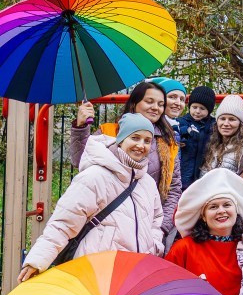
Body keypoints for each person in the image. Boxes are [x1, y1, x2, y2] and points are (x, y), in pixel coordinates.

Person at [18, 114, 163, 281]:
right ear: (121, 139)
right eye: (135, 138)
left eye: (147, 140)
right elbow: (64, 222)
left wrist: (153, 247)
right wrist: (37, 260)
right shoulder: (95, 177)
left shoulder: (147, 183)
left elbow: (156, 219)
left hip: (134, 272)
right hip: (96, 270)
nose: (141, 145)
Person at [69, 81, 184, 235]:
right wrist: (81, 127)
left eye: (160, 104)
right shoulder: (109, 132)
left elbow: (174, 189)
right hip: (106, 223)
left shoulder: (167, 143)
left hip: (145, 225)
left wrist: (161, 228)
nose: (156, 107)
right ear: (134, 102)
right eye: (149, 101)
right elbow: (80, 160)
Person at [202, 94, 243, 177]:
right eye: (222, 118)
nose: (226, 124)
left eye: (232, 119)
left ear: (240, 123)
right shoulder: (213, 145)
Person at [178, 85, 217, 185]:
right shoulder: (181, 123)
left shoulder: (213, 125)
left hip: (203, 172)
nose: (197, 111)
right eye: (194, 107)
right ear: (189, 107)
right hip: (184, 171)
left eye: (202, 108)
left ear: (209, 110)